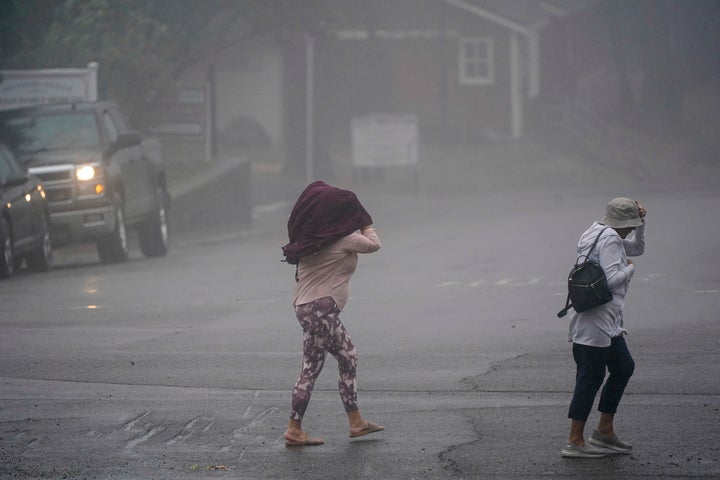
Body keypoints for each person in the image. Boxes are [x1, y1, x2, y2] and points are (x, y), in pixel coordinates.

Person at [281, 181, 385, 447]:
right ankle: (294, 428)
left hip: (309, 308)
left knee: (348, 356)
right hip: (320, 310)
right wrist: (365, 222)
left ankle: (356, 421)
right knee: (310, 369)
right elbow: (374, 244)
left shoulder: (310, 241)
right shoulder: (344, 239)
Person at [562, 197, 647, 458]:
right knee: (590, 377)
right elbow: (611, 281)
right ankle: (575, 440)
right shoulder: (610, 238)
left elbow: (636, 248)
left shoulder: (596, 230)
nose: (631, 230)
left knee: (623, 367)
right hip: (595, 321)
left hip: (606, 320)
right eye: (630, 225)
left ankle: (605, 432)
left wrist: (642, 223)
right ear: (620, 223)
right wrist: (630, 270)